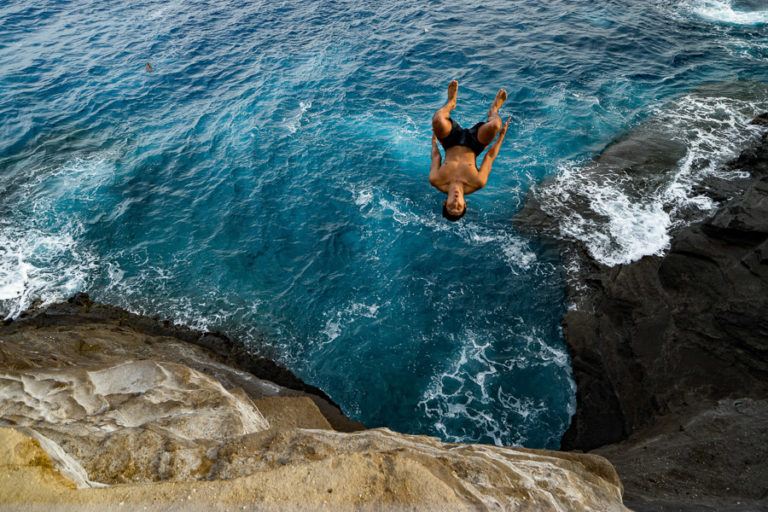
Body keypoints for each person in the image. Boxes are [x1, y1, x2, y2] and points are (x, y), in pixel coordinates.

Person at [429, 80, 511, 221]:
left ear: (445, 203)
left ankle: (451, 102)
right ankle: (494, 110)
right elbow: (490, 157)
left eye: (451, 207)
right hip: (474, 144)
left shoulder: (436, 180)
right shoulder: (477, 182)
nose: (455, 203)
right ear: (465, 204)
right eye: (459, 207)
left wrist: (434, 142)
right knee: (496, 125)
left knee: (437, 119)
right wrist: (501, 136)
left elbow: (436, 157)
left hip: (450, 141)